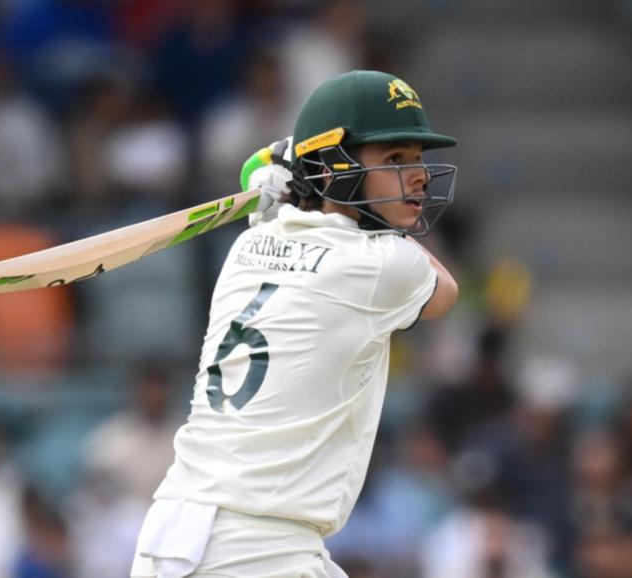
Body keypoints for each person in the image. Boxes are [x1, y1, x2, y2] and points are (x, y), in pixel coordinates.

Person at [129, 69, 459, 578]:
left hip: (180, 529)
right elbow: (445, 292)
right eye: (394, 160)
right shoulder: (379, 266)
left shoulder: (248, 244)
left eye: (418, 159)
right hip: (254, 549)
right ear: (334, 168)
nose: (417, 175)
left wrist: (302, 186)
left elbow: (312, 226)